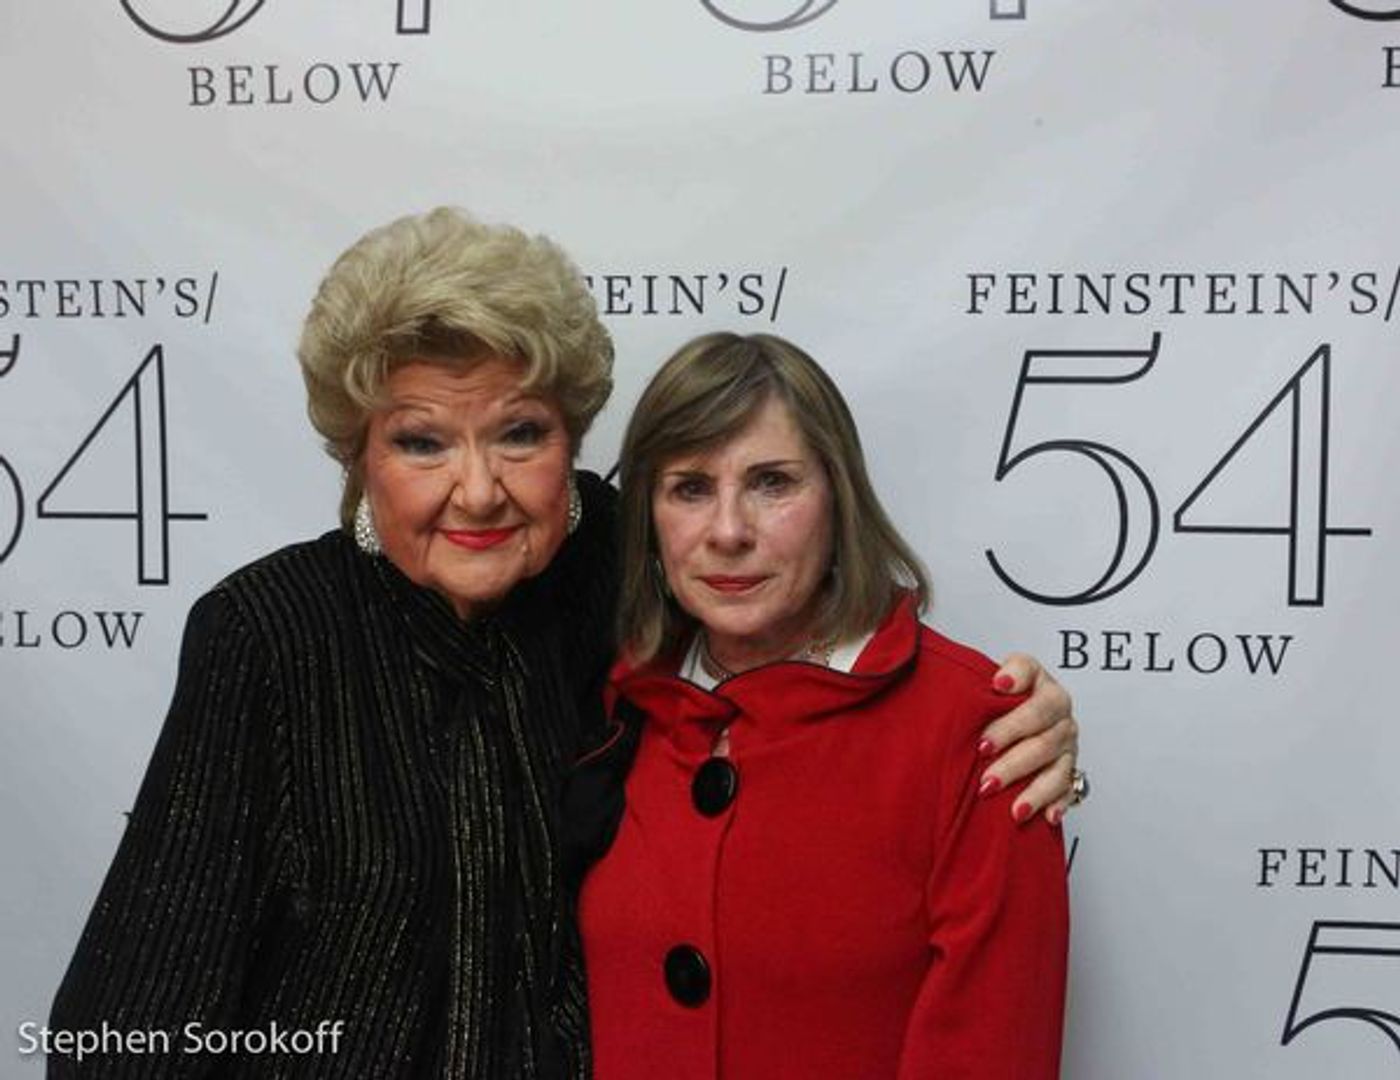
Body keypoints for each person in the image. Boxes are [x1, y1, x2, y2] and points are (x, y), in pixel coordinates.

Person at [48, 209, 1079, 1078]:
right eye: (420, 441)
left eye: (518, 432)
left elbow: (807, 622)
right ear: (357, 455)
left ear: (572, 439)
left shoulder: (620, 577)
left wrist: (1018, 714)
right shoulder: (267, 633)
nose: (479, 489)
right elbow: (126, 1018)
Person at [580, 332, 1069, 1079]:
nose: (729, 531)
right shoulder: (610, 702)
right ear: (647, 518)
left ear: (839, 500)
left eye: (773, 483)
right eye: (690, 488)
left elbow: (991, 1053)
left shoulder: (981, 731)